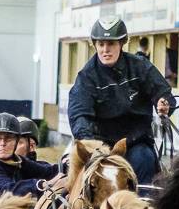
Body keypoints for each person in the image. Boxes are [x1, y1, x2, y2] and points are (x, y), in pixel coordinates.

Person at [68, 16, 173, 184]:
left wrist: (164, 103)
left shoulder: (140, 66)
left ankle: (142, 205)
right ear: (95, 45)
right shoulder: (86, 77)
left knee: (145, 160)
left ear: (121, 43)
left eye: (111, 44)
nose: (105, 50)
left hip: (136, 143)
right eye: (101, 44)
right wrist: (90, 146)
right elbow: (79, 115)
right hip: (99, 146)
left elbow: (162, 91)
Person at [0, 113, 60, 205]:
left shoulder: (15, 160)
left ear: (16, 140)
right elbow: (8, 190)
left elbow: (45, 171)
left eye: (9, 138)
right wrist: (40, 185)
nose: (2, 143)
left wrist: (67, 165)